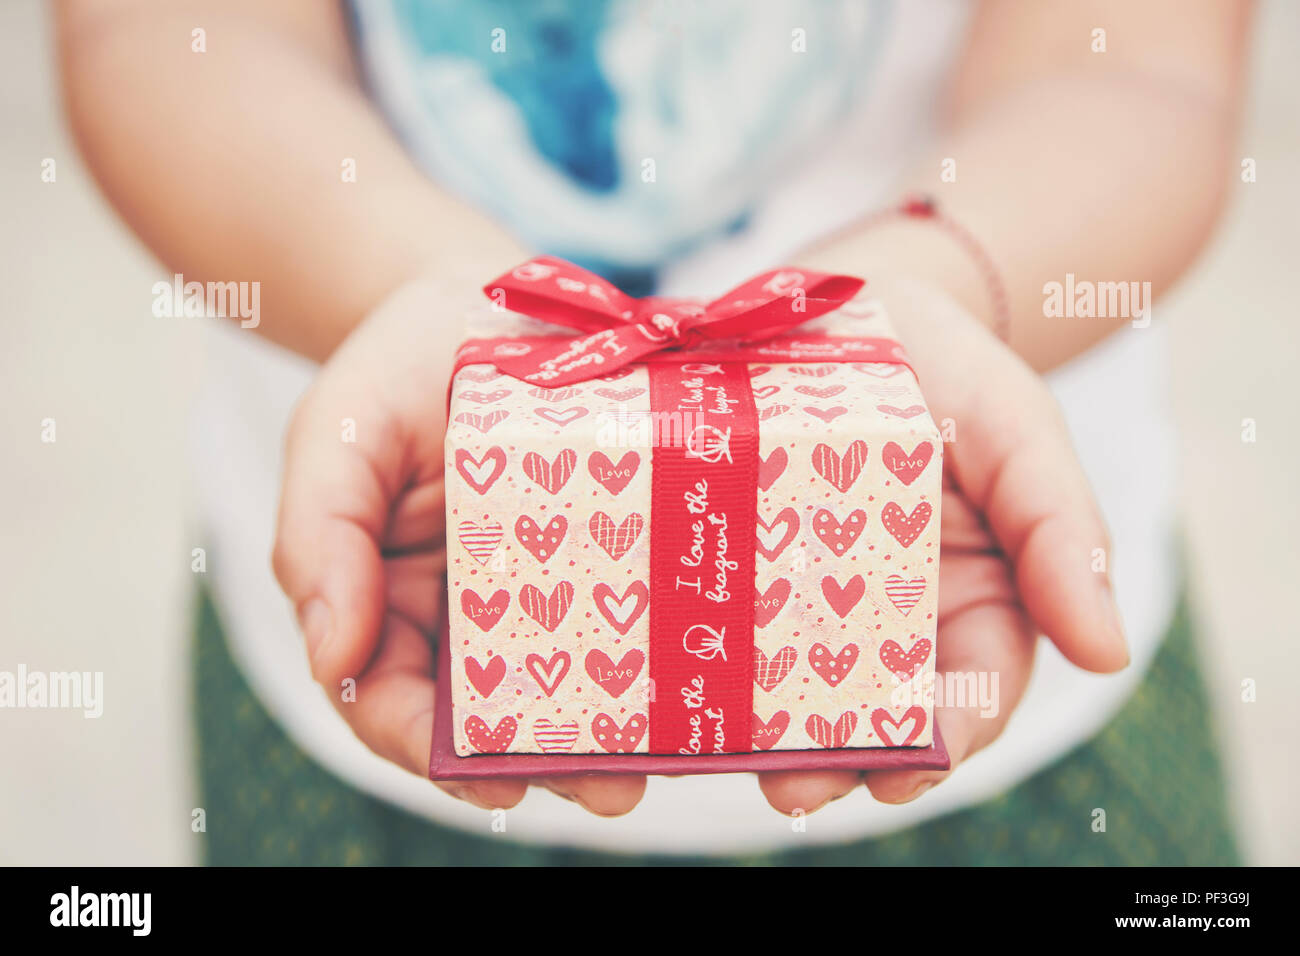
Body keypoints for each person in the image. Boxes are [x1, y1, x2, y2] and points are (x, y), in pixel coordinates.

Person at [57, 0, 1251, 863]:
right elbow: (162, 30)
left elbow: (1142, 60)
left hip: (973, 645)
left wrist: (934, 282)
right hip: (414, 609)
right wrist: (410, 283)